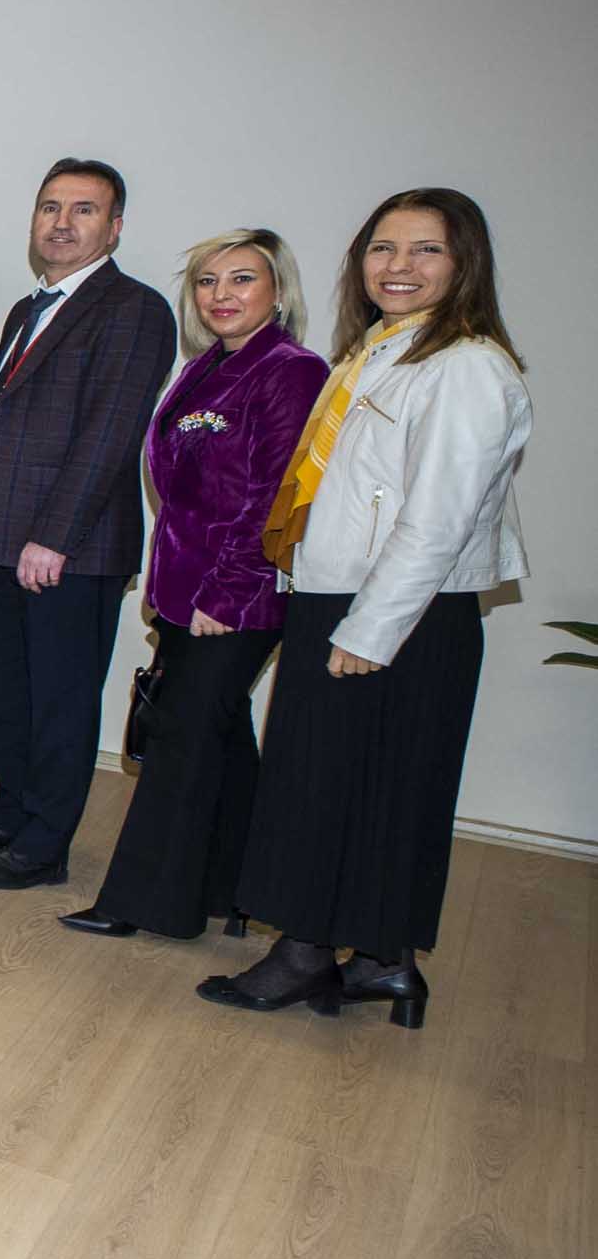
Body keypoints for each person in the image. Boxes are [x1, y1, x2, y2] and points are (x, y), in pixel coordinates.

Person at [205, 191, 530, 1027]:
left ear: (465, 263)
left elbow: (440, 518)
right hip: (345, 597)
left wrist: (372, 628)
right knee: (363, 787)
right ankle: (385, 961)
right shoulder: (381, 350)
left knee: (339, 786)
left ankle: (305, 952)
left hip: (396, 613)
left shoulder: (468, 367)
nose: (398, 266)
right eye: (383, 248)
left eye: (426, 250)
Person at [64, 230, 325, 939]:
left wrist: (228, 591)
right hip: (186, 590)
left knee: (179, 743)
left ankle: (144, 903)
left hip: (236, 597)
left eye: (242, 279)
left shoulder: (291, 371)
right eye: (208, 281)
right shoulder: (206, 367)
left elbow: (274, 496)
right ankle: (235, 889)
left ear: (278, 290)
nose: (221, 295)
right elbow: (182, 495)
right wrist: (169, 587)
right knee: (222, 736)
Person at [0, 158, 176, 889]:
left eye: (83, 210)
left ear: (115, 226)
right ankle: (10, 812)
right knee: (9, 694)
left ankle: (44, 846)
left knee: (60, 703)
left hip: (67, 550)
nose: (61, 223)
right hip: (0, 540)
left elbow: (109, 434)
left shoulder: (133, 309)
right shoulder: (29, 308)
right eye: (50, 208)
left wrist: (54, 537)